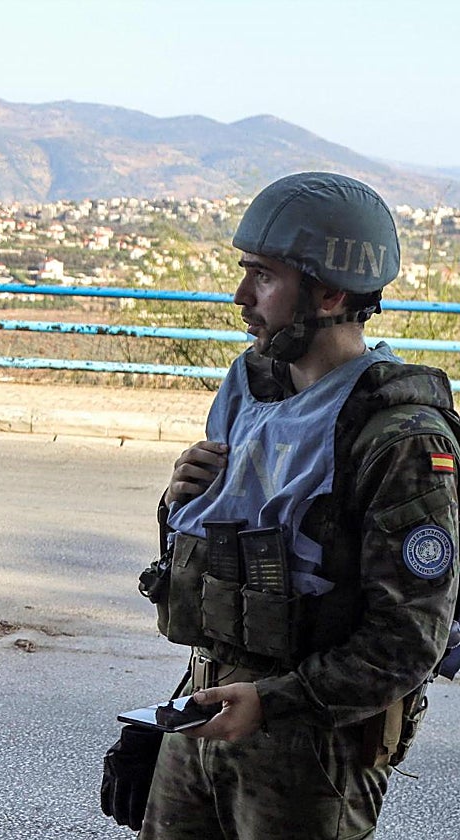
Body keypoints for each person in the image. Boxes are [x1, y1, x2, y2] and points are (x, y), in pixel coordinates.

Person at [136, 172, 460, 839]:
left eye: (263, 276)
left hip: (313, 745)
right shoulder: (253, 389)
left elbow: (408, 643)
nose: (240, 297)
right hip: (206, 703)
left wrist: (275, 701)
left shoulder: (398, 435)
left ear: (331, 292)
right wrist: (177, 504)